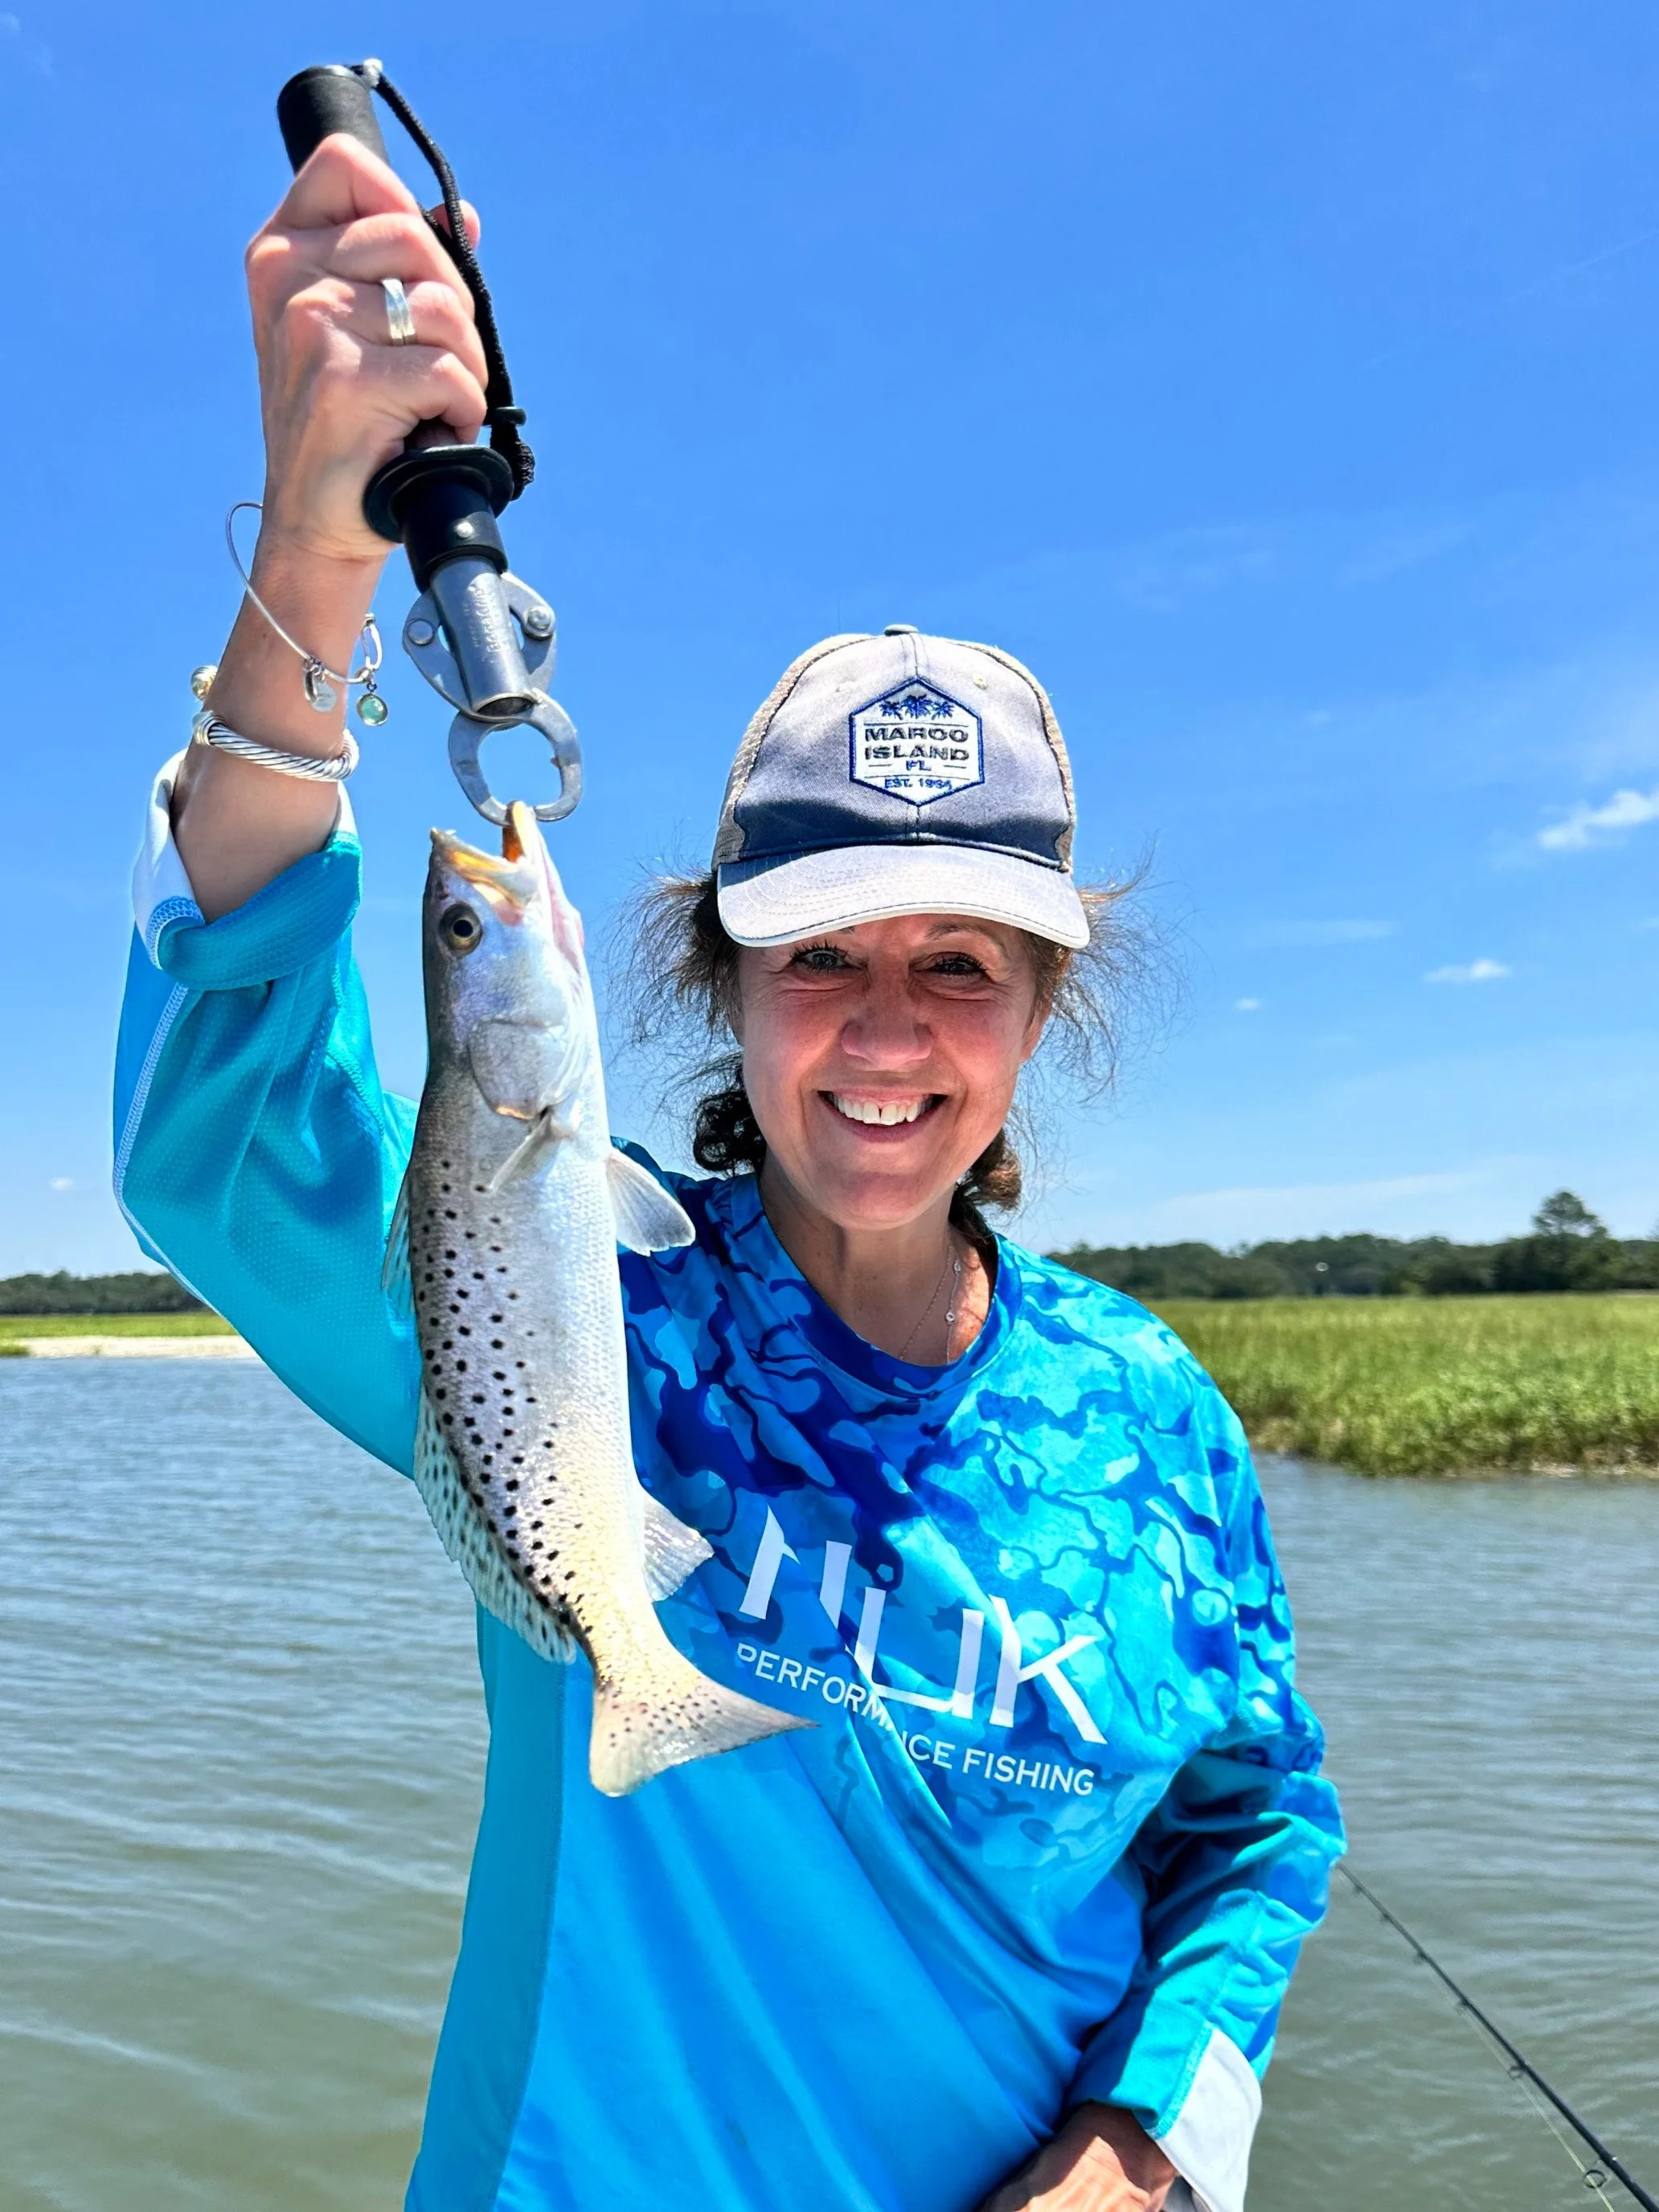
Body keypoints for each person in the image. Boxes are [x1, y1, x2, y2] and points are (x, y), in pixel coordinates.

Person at [113, 135, 1343, 2212]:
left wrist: (1147, 2149)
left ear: (1041, 1010)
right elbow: (223, 1143)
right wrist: (319, 569)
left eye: (957, 962)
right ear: (721, 984)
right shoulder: (603, 1310)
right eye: (823, 958)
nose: (884, 1027)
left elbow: (1254, 1826)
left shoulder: (1152, 1420)